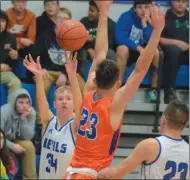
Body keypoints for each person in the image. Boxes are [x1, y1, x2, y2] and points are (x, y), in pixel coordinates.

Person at [64, 1, 165, 179]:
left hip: (73, 171)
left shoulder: (88, 90)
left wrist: (104, 12)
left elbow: (100, 52)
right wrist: (156, 32)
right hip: (94, 174)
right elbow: (140, 69)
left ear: (95, 77)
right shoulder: (114, 104)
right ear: (118, 83)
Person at [98, 100, 189, 179]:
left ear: (163, 120)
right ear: (185, 125)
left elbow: (114, 175)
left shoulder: (150, 145)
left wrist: (94, 171)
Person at [23, 54, 80, 179]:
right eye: (60, 99)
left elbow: (81, 106)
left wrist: (71, 75)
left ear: (74, 103)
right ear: (54, 104)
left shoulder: (75, 125)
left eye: (68, 99)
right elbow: (41, 100)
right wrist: (38, 77)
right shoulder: (48, 121)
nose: (64, 101)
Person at [30, 7, 85, 124]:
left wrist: (65, 74)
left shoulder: (74, 37)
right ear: (55, 19)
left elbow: (79, 60)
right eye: (60, 18)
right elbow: (34, 54)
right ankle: (41, 123)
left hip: (68, 71)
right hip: (48, 71)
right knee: (42, 86)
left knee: (82, 86)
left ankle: (76, 121)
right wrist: (41, 68)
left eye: (66, 19)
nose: (62, 21)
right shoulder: (45, 35)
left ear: (70, 21)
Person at [115, 0, 161, 102]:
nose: (143, 10)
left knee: (156, 52)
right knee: (121, 49)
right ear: (135, 8)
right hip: (131, 49)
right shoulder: (126, 17)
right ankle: (117, 86)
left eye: (146, 7)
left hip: (144, 51)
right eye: (140, 7)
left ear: (150, 8)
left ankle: (153, 90)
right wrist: (137, 47)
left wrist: (145, 25)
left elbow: (153, 41)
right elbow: (119, 37)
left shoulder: (153, 20)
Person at [0, 88, 37, 179]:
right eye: (21, 102)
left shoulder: (31, 112)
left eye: (27, 102)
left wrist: (23, 118)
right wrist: (12, 146)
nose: (24, 106)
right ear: (14, 103)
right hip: (2, 140)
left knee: (29, 145)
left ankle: (30, 178)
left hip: (15, 139)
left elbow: (28, 137)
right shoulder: (4, 112)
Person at [160, 0, 189, 104]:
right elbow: (159, 39)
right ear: (172, 2)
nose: (181, 4)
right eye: (177, 1)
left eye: (183, 1)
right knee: (173, 52)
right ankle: (169, 93)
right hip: (170, 50)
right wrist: (177, 42)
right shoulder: (165, 16)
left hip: (187, 51)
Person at [0, 10, 21, 97]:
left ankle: (11, 109)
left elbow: (12, 65)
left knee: (16, 82)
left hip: (4, 72)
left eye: (3, 21)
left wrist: (15, 58)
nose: (0, 23)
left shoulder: (10, 38)